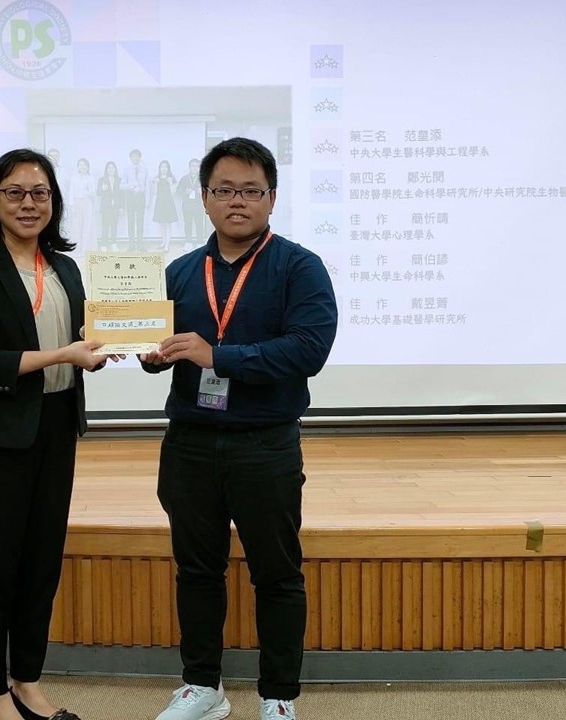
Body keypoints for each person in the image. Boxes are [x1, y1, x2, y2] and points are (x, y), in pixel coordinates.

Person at [138, 138, 338, 720]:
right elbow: (159, 343)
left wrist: (218, 356)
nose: (237, 201)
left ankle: (278, 695)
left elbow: (308, 350)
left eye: (251, 190)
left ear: (272, 198)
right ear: (204, 198)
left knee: (277, 575)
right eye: (224, 189)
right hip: (189, 444)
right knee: (197, 571)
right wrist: (151, 354)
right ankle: (203, 687)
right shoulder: (180, 272)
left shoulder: (300, 267)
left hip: (265, 444)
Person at [0, 148, 122, 720]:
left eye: (40, 193)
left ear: (54, 201)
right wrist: (63, 354)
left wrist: (117, 342)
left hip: (56, 424)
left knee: (42, 562)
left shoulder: (65, 268)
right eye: (15, 192)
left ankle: (26, 680)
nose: (29, 203)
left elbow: (83, 336)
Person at [67, 157, 96, 253]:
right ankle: (77, 247)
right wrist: (72, 205)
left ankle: (85, 248)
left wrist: (86, 193)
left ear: (88, 167)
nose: (83, 167)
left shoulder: (91, 178)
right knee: (77, 225)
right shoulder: (74, 178)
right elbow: (71, 192)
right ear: (78, 167)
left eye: (85, 165)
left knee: (87, 225)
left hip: (87, 202)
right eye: (81, 165)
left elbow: (92, 192)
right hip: (77, 203)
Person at [175, 158, 204, 250]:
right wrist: (185, 192)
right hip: (187, 205)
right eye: (192, 166)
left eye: (196, 166)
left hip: (198, 205)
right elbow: (178, 191)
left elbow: (209, 191)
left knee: (199, 223)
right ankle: (188, 242)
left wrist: (202, 192)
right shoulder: (184, 179)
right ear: (189, 167)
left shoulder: (203, 179)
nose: (194, 168)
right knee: (187, 223)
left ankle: (200, 242)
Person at [123, 148, 149, 250]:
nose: (135, 158)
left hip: (140, 197)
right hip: (130, 197)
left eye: (137, 156)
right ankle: (131, 244)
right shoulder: (126, 169)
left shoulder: (144, 169)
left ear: (140, 157)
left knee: (140, 221)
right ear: (130, 158)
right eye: (133, 156)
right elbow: (122, 185)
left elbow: (147, 186)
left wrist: (147, 200)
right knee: (130, 221)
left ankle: (140, 244)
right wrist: (131, 186)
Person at [152, 159, 179, 251]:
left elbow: (173, 193)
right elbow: (155, 192)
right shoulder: (157, 178)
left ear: (168, 168)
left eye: (166, 167)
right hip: (160, 203)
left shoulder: (171, 178)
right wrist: (155, 183)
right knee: (161, 224)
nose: (164, 169)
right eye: (162, 167)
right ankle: (163, 242)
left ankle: (167, 245)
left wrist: (170, 183)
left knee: (167, 224)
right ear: (159, 168)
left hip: (168, 203)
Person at [97, 161, 122, 250]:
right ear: (106, 170)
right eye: (109, 168)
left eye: (112, 167)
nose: (111, 169)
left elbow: (122, 195)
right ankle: (104, 244)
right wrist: (102, 189)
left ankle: (113, 243)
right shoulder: (102, 180)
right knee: (105, 226)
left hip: (115, 207)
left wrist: (121, 207)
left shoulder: (119, 180)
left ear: (115, 169)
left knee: (114, 225)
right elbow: (98, 193)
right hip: (106, 207)